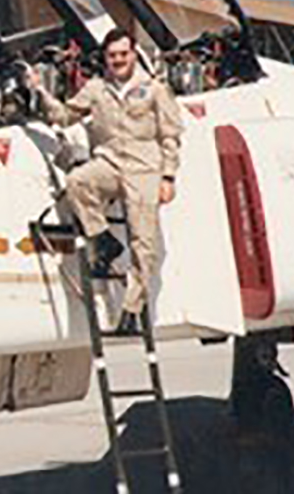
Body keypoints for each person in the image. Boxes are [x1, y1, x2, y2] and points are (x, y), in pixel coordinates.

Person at [31, 28, 184, 335]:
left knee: (144, 245)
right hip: (111, 163)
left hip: (144, 169)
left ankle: (131, 308)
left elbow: (171, 135)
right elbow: (64, 116)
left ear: (133, 53)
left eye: (123, 54)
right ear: (106, 57)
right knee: (77, 181)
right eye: (112, 55)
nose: (118, 60)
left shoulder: (153, 88)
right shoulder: (96, 89)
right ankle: (102, 239)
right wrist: (39, 91)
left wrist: (168, 176)